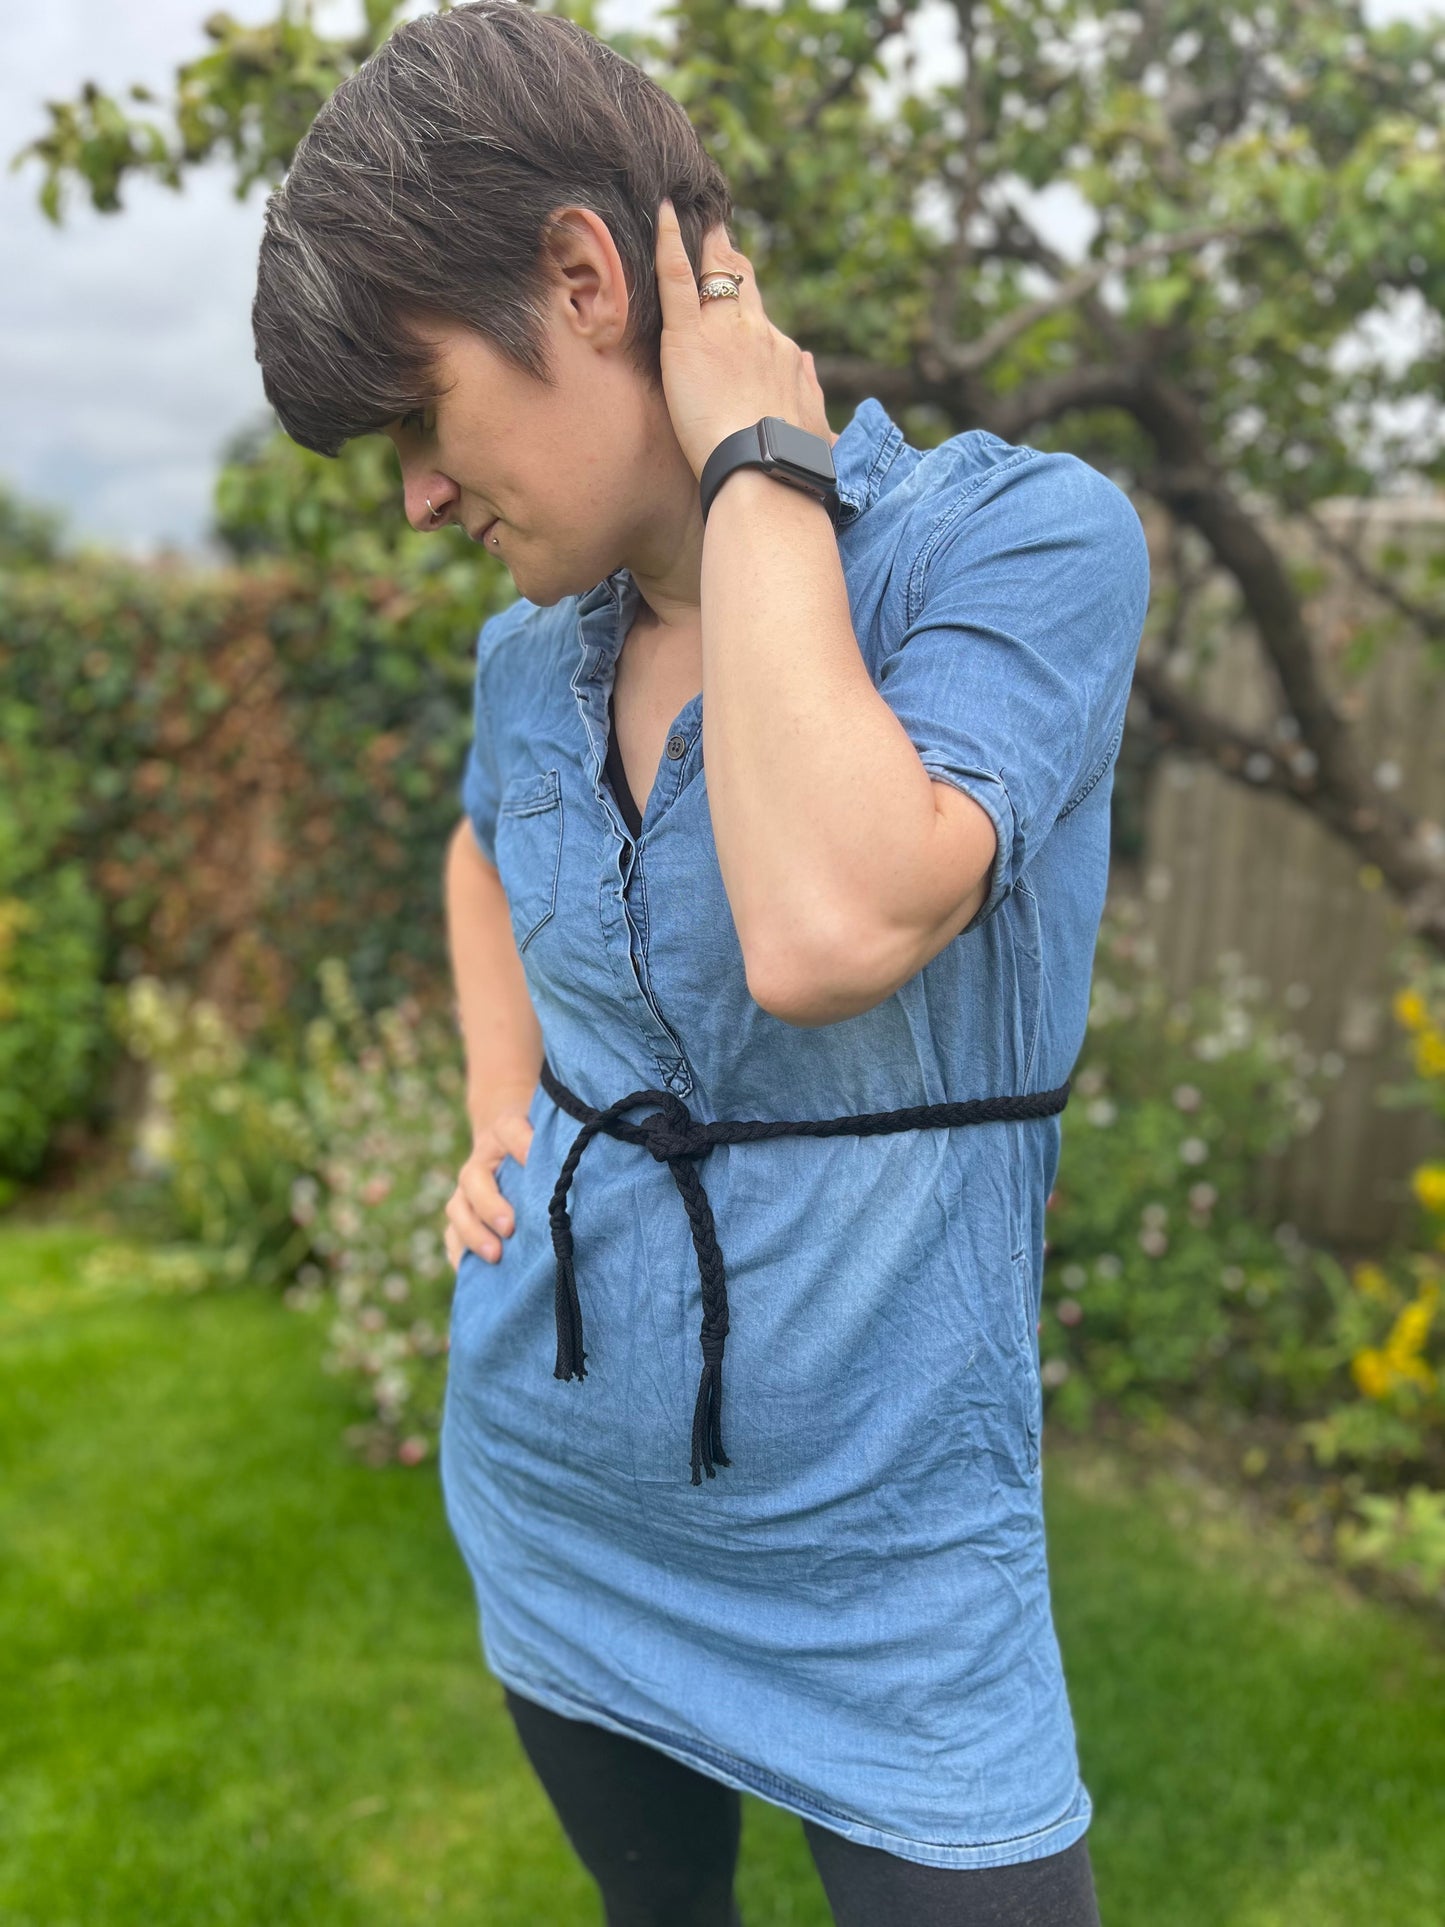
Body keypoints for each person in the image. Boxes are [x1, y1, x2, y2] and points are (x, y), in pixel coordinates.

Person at [251, 5, 1149, 1921]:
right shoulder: (531, 651)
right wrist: (503, 1107)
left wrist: (756, 465)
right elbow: (482, 859)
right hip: (557, 1498)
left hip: (887, 1577)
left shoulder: (1018, 548)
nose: (414, 491)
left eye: (418, 415)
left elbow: (828, 923)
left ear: (585, 278)